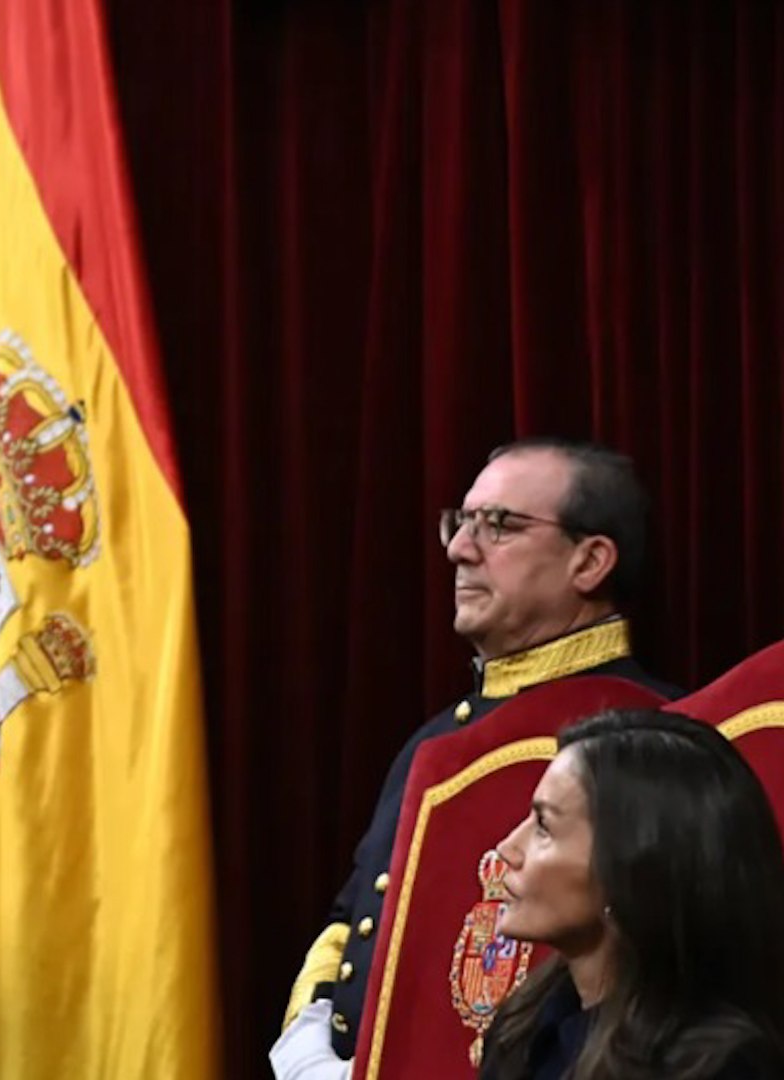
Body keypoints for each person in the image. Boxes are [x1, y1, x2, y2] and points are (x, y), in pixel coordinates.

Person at [272, 438, 682, 1078]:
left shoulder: (663, 742)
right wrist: (313, 1038)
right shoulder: (436, 740)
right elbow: (352, 925)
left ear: (591, 560)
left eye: (500, 526)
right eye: (461, 522)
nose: (461, 548)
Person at [479, 708, 784, 1079]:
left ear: (630, 870)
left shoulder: (722, 1068)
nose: (508, 848)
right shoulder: (525, 1029)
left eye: (544, 826)